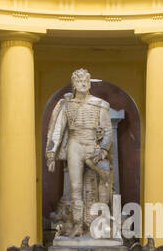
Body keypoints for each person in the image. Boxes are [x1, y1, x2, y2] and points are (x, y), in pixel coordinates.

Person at [45, 68, 115, 236]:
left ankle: (99, 221)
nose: (82, 84)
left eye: (85, 81)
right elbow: (57, 130)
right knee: (76, 187)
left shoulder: (100, 104)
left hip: (93, 146)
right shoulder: (66, 104)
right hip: (75, 145)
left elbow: (107, 130)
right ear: (74, 84)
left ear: (89, 83)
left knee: (102, 181)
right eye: (79, 81)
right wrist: (51, 155)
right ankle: (78, 224)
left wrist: (104, 150)